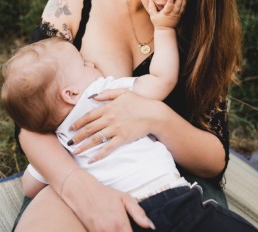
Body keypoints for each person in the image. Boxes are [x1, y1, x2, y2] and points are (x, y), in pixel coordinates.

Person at [10, 0, 242, 232]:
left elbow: (214, 160)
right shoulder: (75, 1)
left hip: (172, 185)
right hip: (78, 172)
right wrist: (78, 186)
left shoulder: (201, 28)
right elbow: (30, 120)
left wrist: (153, 116)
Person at [2, 14, 256, 232]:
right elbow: (162, 79)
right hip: (173, 200)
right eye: (83, 64)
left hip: (122, 215)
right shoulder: (103, 92)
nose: (91, 63)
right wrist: (164, 30)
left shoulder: (60, 140)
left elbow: (30, 185)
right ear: (70, 93)